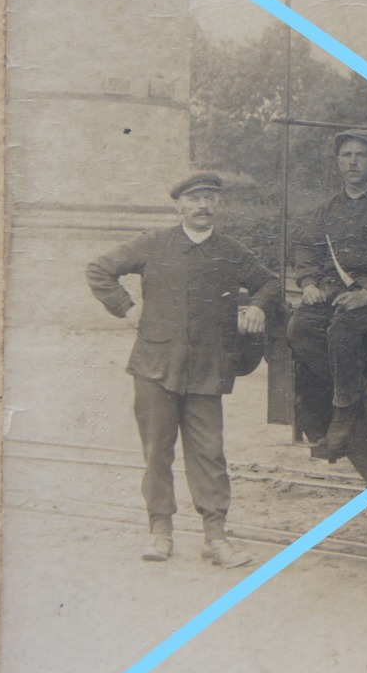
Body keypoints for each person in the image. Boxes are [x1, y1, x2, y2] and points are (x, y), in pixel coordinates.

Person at [86, 172, 279, 567]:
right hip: (155, 366)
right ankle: (160, 531)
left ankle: (215, 537)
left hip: (208, 369)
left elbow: (270, 284)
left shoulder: (232, 251)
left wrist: (257, 306)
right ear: (179, 205)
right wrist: (128, 308)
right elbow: (99, 270)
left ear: (218, 205)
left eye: (210, 197)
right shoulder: (154, 244)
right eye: (194, 198)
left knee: (209, 454)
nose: (203, 205)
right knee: (157, 451)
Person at [287, 130, 367, 455]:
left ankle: (343, 414)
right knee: (300, 328)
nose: (353, 161)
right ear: (338, 162)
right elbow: (305, 248)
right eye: (346, 155)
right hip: (331, 293)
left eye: (361, 155)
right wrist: (309, 284)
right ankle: (363, 391)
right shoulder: (327, 208)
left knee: (342, 330)